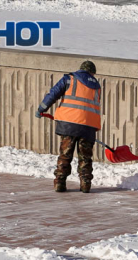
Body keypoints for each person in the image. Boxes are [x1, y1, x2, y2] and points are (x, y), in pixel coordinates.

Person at [35, 60, 101, 193]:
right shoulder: (97, 86)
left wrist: (41, 108)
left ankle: (60, 183)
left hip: (69, 124)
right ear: (92, 72)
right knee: (85, 158)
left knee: (65, 155)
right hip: (88, 126)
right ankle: (85, 185)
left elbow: (53, 94)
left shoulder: (69, 79)